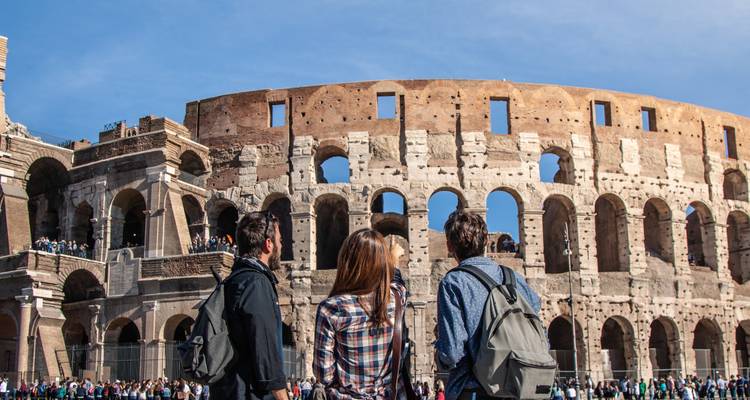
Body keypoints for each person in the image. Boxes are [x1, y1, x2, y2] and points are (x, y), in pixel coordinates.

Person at [434, 210, 541, 400]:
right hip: (520, 386)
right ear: (485, 242)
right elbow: (540, 332)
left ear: (449, 246)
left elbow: (452, 353)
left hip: (474, 389)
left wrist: (439, 351)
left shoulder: (453, 283)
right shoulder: (514, 278)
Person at [313, 229, 408, 400]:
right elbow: (398, 284)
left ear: (346, 262)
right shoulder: (396, 300)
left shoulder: (331, 308)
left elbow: (324, 375)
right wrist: (392, 263)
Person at [212, 211, 288, 400]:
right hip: (250, 392)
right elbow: (266, 354)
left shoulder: (234, 279)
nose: (281, 244)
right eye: (279, 240)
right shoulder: (257, 283)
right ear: (268, 244)